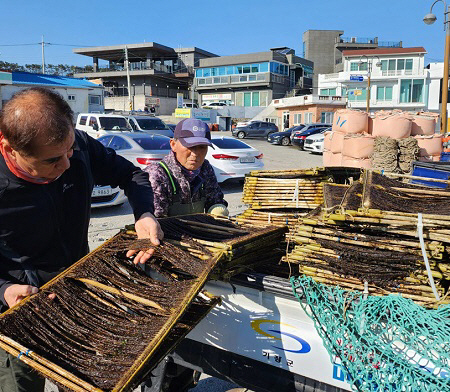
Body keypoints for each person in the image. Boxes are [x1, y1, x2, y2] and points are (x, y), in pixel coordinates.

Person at [0, 87, 163, 391]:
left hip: (76, 291)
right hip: (19, 309)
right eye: (52, 160)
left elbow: (132, 176)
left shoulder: (81, 148)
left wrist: (144, 215)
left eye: (70, 150)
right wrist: (4, 290)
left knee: (83, 380)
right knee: (20, 384)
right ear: (10, 150)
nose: (66, 165)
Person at [145, 118, 228, 218]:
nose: (195, 153)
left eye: (202, 147)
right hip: (165, 231)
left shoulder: (205, 169)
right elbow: (156, 218)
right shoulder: (157, 174)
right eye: (190, 146)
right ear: (173, 145)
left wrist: (218, 210)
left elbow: (215, 199)